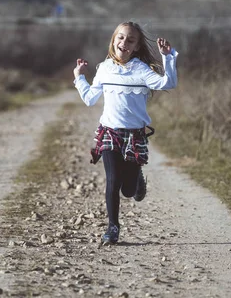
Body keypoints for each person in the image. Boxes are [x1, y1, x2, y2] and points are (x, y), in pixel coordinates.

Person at [73, 21, 178, 244]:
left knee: (129, 191)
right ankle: (113, 228)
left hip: (135, 136)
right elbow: (90, 99)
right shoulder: (104, 68)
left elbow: (168, 83)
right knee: (112, 180)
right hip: (109, 133)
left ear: (137, 47)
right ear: (113, 40)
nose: (124, 43)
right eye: (120, 37)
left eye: (131, 40)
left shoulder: (141, 71)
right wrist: (79, 77)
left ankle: (137, 178)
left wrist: (168, 57)